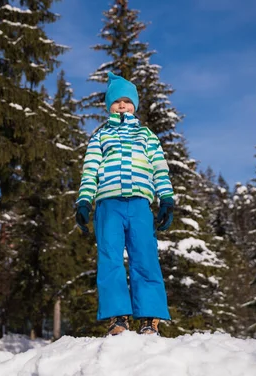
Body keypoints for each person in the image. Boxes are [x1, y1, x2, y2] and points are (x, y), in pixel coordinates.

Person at [75, 72, 174, 336]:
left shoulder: (146, 135)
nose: (122, 105)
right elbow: (90, 170)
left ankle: (149, 318)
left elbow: (159, 168)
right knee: (110, 259)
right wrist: (84, 201)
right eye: (117, 101)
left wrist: (166, 199)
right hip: (108, 204)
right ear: (109, 105)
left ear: (135, 105)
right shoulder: (100, 136)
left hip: (141, 203)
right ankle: (118, 318)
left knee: (145, 256)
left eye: (127, 101)